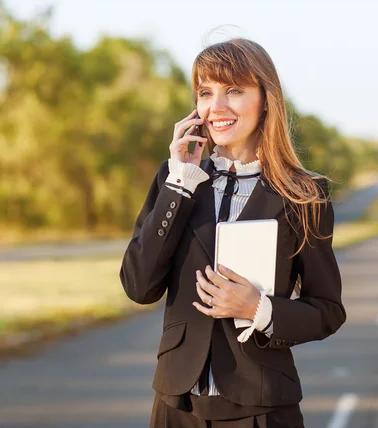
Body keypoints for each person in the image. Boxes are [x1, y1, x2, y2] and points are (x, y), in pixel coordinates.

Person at [120, 37, 346, 428]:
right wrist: (181, 181)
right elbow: (139, 286)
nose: (216, 107)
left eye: (234, 91)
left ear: (265, 98)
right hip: (177, 406)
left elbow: (327, 311)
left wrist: (259, 309)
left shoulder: (304, 194)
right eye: (205, 93)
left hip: (261, 406)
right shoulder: (175, 178)